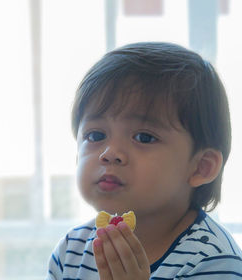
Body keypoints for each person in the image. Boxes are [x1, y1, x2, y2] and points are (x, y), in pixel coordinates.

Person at [46, 42, 242, 279]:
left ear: (201, 166)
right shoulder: (72, 250)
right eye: (96, 135)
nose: (110, 153)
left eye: (144, 137)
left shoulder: (212, 260)